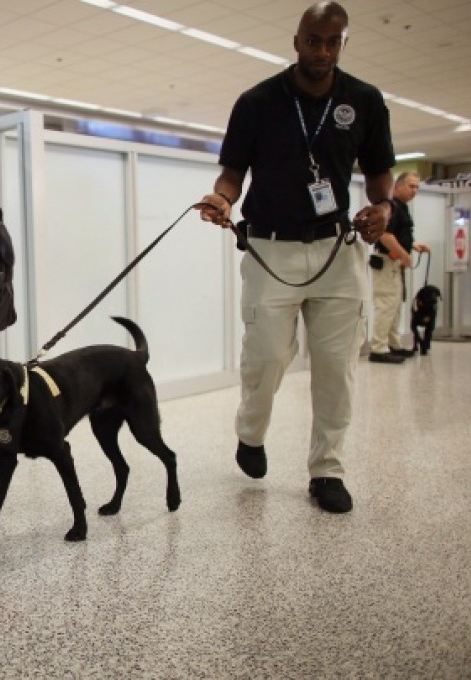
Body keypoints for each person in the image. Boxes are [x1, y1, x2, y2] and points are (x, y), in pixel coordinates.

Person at [197, 1, 395, 514]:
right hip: (270, 250)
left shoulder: (365, 101)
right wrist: (223, 199)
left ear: (343, 43)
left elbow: (379, 174)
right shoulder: (257, 101)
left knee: (337, 369)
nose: (322, 51)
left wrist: (383, 208)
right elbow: (232, 172)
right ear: (297, 40)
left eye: (332, 42)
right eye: (313, 40)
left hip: (337, 250)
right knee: (266, 357)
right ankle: (250, 431)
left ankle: (327, 470)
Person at [368, 171, 430, 363]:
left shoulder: (401, 207)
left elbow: (398, 234)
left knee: (395, 305)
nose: (415, 191)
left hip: (394, 263)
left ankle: (393, 344)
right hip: (387, 263)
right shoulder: (391, 207)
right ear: (398, 185)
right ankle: (378, 348)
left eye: (417, 187)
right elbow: (385, 235)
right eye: (411, 186)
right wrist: (404, 255)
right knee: (386, 305)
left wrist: (412, 245)